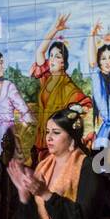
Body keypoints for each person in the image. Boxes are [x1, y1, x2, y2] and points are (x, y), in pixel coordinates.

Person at [30, 14, 91, 163]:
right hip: (42, 138)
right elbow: (39, 52)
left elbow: (84, 104)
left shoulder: (67, 85)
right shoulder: (46, 78)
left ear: (64, 62)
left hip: (58, 144)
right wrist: (55, 29)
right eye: (51, 56)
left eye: (57, 56)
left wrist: (75, 111)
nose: (51, 60)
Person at [86, 23, 110, 149]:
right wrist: (92, 35)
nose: (108, 62)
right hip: (107, 135)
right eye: (103, 59)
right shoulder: (98, 79)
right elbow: (92, 62)